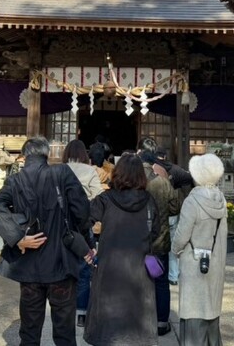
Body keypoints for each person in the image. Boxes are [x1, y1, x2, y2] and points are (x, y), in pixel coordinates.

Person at [0, 137, 91, 346]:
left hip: (30, 266)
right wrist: (84, 239)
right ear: (47, 154)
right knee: (65, 333)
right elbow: (82, 211)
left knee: (29, 332)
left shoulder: (15, 180)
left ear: (24, 155)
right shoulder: (62, 173)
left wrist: (18, 238)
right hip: (61, 263)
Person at [84, 153, 159, 346]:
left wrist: (90, 248)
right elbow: (156, 231)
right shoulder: (149, 201)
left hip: (110, 267)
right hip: (140, 268)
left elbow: (83, 221)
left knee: (107, 325)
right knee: (138, 324)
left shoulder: (106, 199)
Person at [172, 153, 227, 345]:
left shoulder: (192, 201)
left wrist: (175, 250)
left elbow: (181, 235)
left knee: (194, 309)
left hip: (194, 263)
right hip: (215, 262)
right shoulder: (220, 199)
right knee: (211, 308)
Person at [138, 137, 179, 336]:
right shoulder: (162, 181)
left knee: (139, 281)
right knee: (161, 282)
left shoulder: (132, 180)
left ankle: (140, 321)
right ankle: (162, 322)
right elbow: (175, 207)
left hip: (137, 242)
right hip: (160, 241)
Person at [62, 139, 103, 327]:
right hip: (83, 225)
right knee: (85, 268)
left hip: (62, 224)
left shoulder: (60, 169)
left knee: (63, 266)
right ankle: (81, 313)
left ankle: (63, 309)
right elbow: (99, 195)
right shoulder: (90, 171)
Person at [154, 146, 194, 286]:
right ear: (165, 156)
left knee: (155, 244)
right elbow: (190, 178)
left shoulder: (152, 169)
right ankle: (173, 275)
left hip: (155, 212)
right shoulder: (175, 169)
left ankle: (155, 272)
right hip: (171, 212)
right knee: (172, 244)